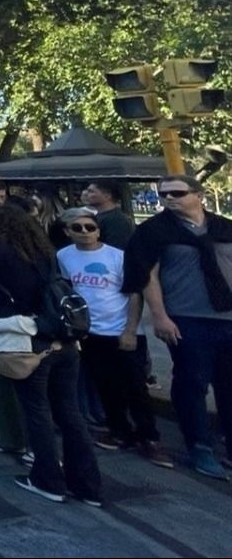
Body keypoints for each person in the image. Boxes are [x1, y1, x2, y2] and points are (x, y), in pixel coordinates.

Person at [0, 204, 102, 506]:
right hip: (63, 340)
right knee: (70, 414)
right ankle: (87, 485)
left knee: (37, 412)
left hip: (28, 340)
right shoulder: (44, 252)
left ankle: (47, 479)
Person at [125, 175, 232, 479]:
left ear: (198, 195)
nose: (169, 199)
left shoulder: (223, 227)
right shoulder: (154, 231)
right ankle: (200, 445)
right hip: (186, 317)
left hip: (227, 315)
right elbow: (148, 276)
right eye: (163, 194)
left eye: (177, 193)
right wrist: (159, 315)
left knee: (229, 384)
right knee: (192, 382)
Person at [55, 208, 171, 468]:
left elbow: (134, 293)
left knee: (136, 387)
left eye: (90, 227)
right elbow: (67, 290)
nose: (85, 232)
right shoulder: (63, 255)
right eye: (77, 228)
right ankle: (119, 430)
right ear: (67, 231)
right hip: (90, 332)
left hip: (122, 330)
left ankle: (149, 437)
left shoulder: (118, 256)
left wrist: (130, 329)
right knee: (106, 385)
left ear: (98, 230)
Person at [82, 181, 135, 249]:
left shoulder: (117, 220)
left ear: (107, 196)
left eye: (91, 191)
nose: (86, 194)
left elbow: (115, 250)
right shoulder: (100, 216)